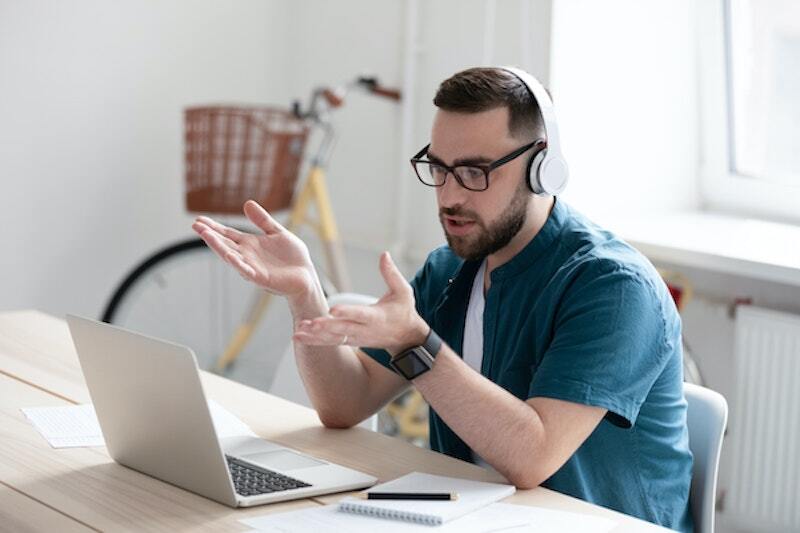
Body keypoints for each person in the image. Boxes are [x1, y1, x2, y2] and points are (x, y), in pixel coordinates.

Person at [192, 67, 693, 532]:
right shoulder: (452, 268)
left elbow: (532, 458)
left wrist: (417, 342)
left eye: (475, 172)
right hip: (469, 516)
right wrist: (305, 292)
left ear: (543, 167)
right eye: (439, 168)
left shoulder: (612, 287)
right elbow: (345, 404)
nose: (450, 196)